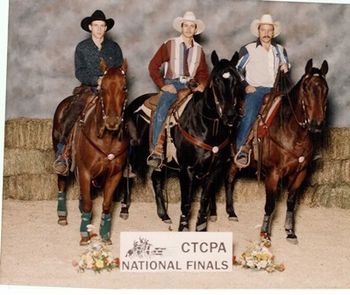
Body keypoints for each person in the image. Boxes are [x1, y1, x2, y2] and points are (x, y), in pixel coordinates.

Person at [53, 10, 124, 175]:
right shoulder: (82, 48)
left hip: (111, 89)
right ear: (90, 27)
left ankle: (128, 160)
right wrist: (97, 80)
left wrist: (111, 82)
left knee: (124, 114)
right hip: (89, 88)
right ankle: (63, 154)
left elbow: (120, 71)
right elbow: (79, 71)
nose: (99, 29)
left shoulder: (114, 48)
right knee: (73, 112)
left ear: (106, 28)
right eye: (96, 26)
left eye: (102, 26)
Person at [147, 11, 209, 168]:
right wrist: (163, 85)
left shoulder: (199, 50)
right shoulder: (170, 44)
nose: (188, 29)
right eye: (186, 25)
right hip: (172, 84)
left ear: (195, 29)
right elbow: (153, 66)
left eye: (192, 26)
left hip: (191, 86)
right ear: (181, 27)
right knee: (162, 109)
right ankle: (156, 150)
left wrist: (202, 84)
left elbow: (203, 73)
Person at [234, 14, 290, 168]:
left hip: (274, 90)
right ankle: (242, 149)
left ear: (273, 33)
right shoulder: (248, 49)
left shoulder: (279, 49)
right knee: (250, 114)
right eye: (263, 30)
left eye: (269, 30)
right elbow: (237, 70)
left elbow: (285, 64)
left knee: (291, 112)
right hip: (256, 90)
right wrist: (245, 85)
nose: (266, 33)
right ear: (258, 31)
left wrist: (285, 67)